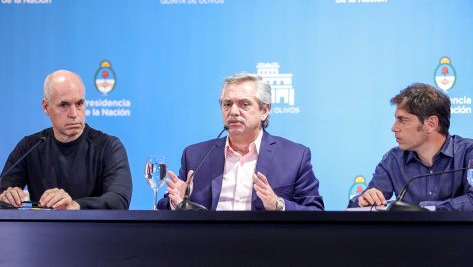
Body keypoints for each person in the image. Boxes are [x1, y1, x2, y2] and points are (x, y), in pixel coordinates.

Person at [157, 72, 324, 211]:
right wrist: (176, 203)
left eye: (244, 104)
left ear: (264, 110)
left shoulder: (294, 157)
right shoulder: (195, 156)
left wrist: (277, 204)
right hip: (208, 246)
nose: (233, 111)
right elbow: (164, 208)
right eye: (227, 104)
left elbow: (315, 211)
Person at [0, 70, 133, 210]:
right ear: (46, 107)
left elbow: (119, 200)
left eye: (79, 103)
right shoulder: (29, 147)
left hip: (93, 231)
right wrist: (7, 197)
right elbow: (3, 192)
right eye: (64, 105)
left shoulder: (108, 146)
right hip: (42, 231)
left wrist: (75, 206)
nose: (74, 114)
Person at [348, 83, 473, 211]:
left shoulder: (471, 153)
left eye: (403, 120)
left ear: (431, 124)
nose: (394, 128)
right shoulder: (393, 159)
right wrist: (363, 200)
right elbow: (360, 208)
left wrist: (423, 210)